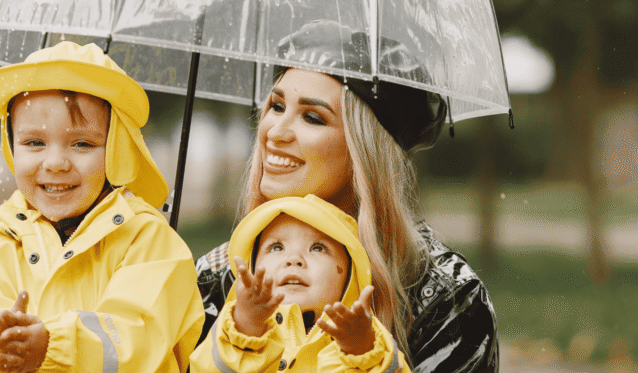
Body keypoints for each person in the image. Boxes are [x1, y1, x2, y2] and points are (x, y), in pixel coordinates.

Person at [195, 21, 499, 372]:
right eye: (276, 107)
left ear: (365, 149)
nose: (275, 132)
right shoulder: (215, 277)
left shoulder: (448, 299)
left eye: (312, 117)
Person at [0, 41, 204, 373]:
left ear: (115, 151)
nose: (55, 163)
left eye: (82, 144)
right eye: (34, 142)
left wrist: (52, 346)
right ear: (11, 147)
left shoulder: (150, 243)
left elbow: (137, 336)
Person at [191, 195, 410, 372]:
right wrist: (246, 326)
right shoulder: (232, 332)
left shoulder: (369, 340)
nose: (293, 259)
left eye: (318, 248)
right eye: (276, 247)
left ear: (350, 274)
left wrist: (360, 351)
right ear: (252, 265)